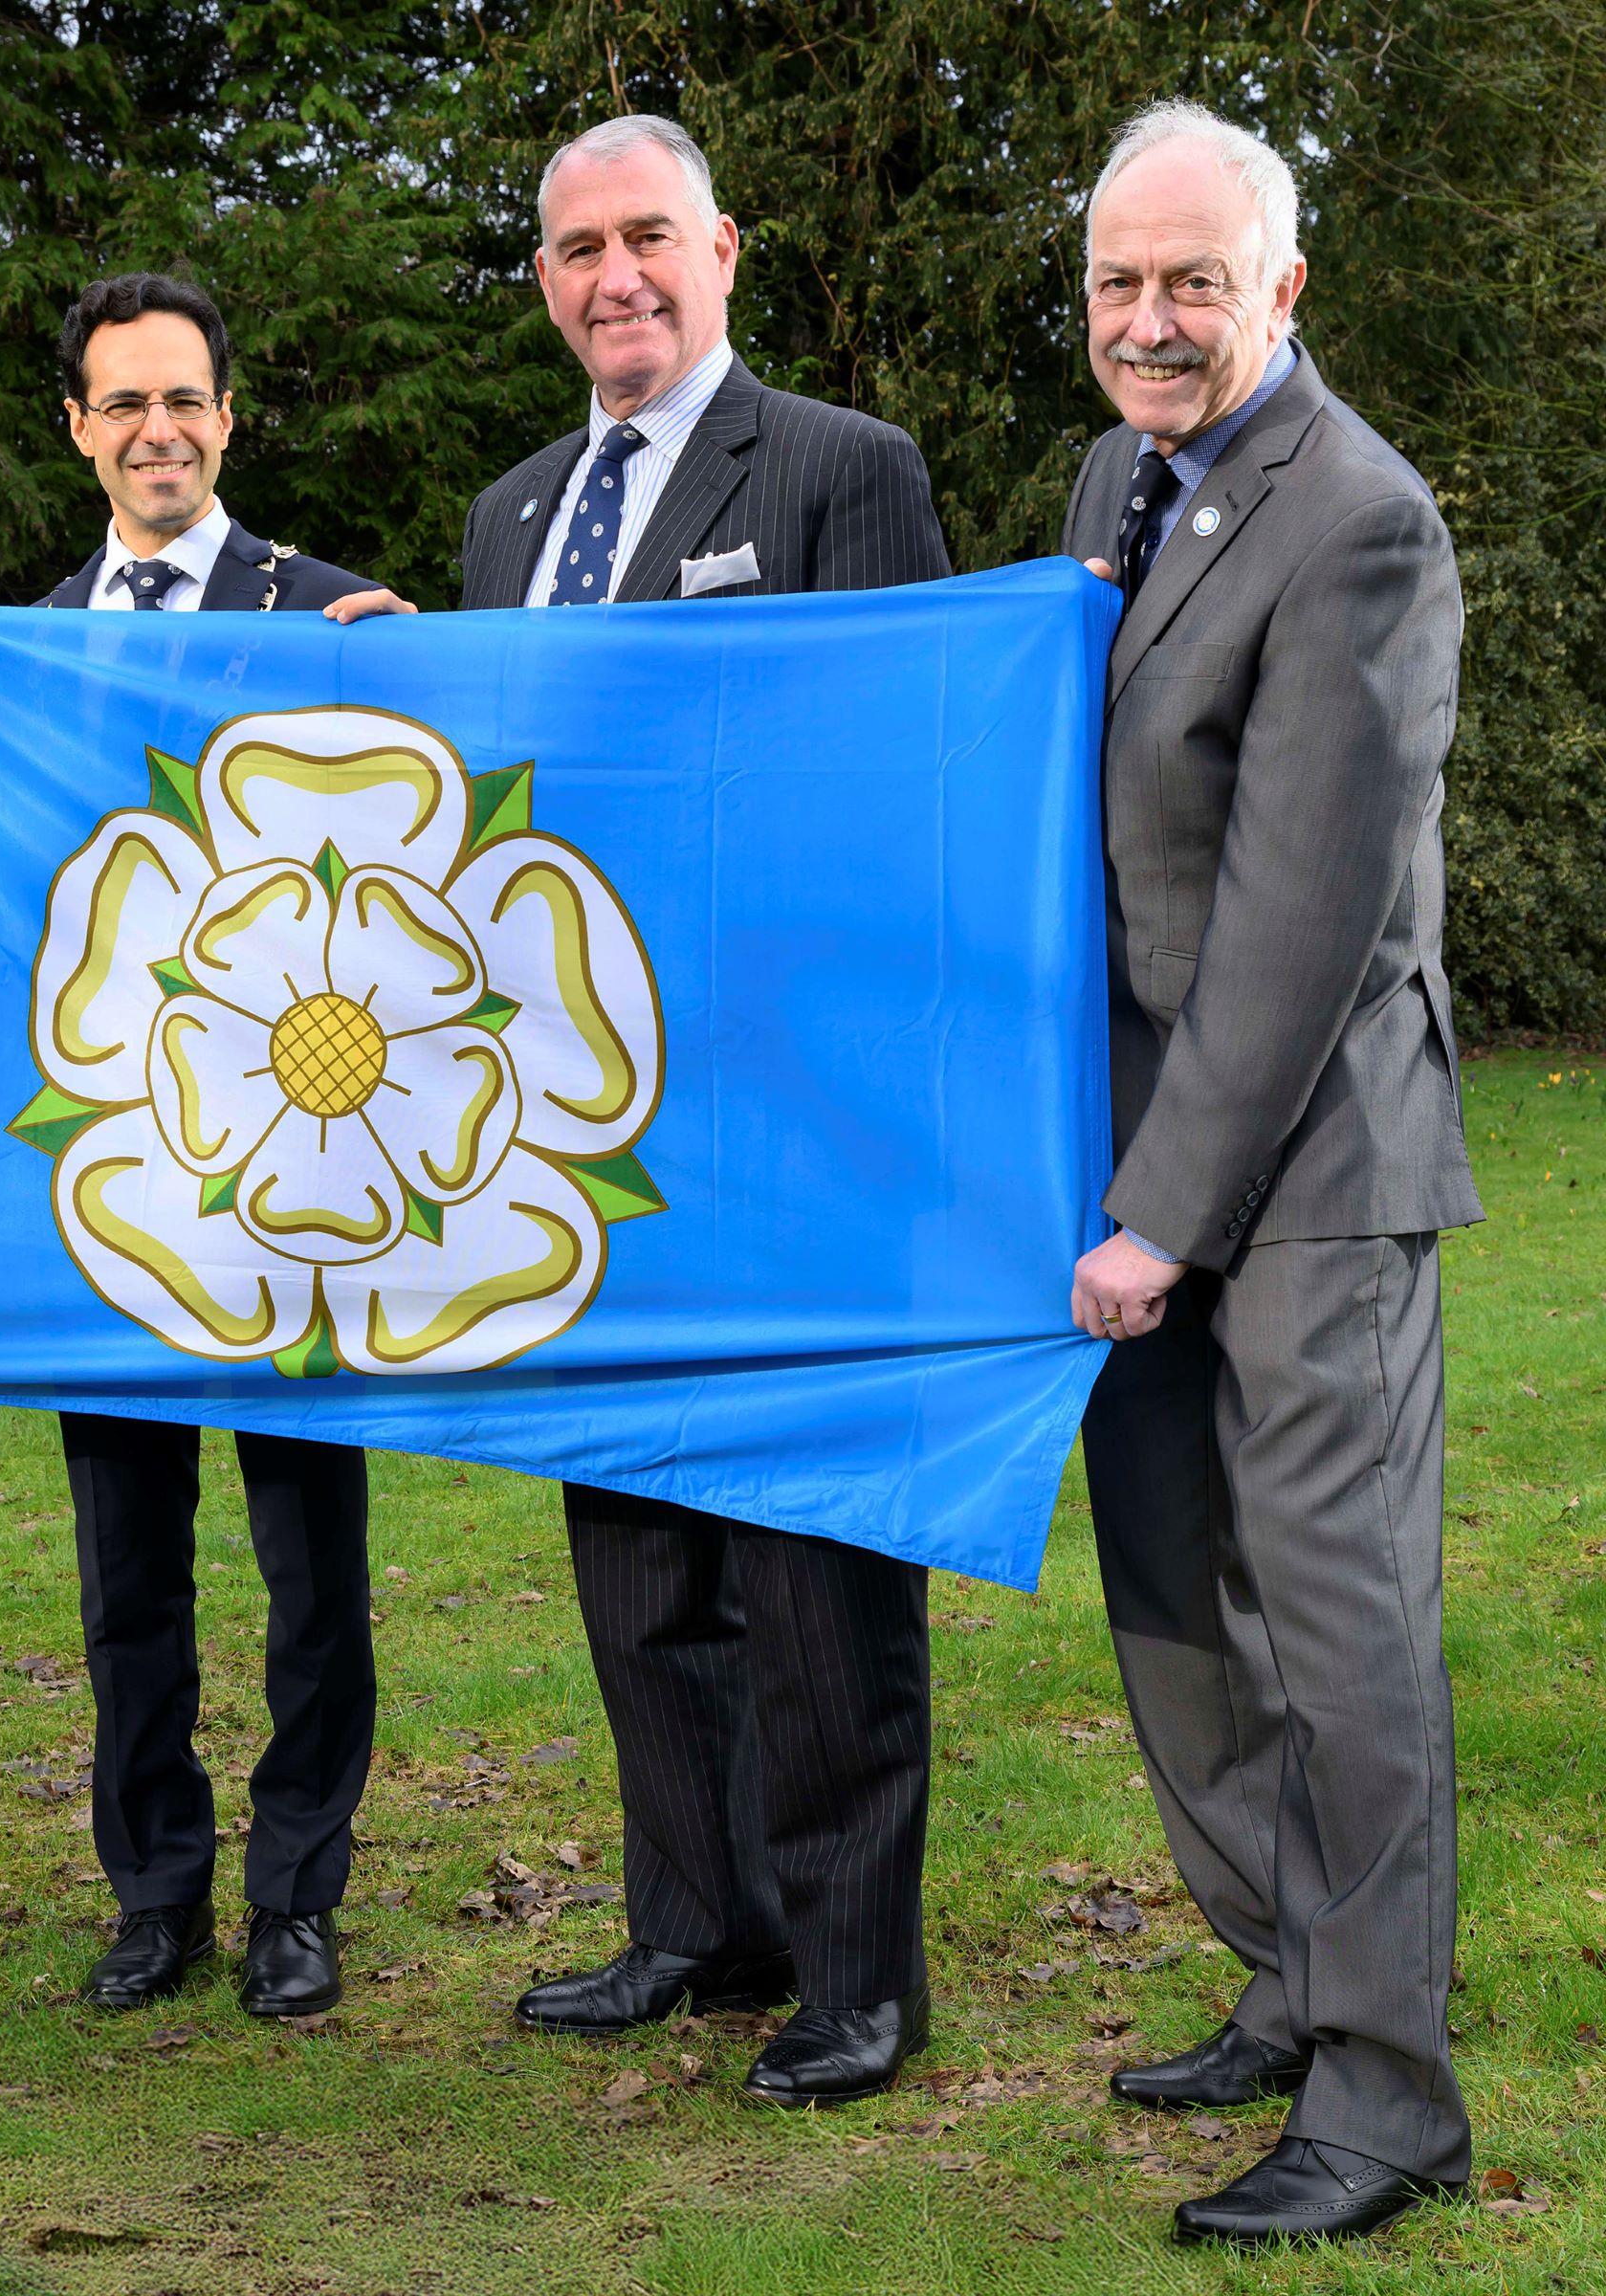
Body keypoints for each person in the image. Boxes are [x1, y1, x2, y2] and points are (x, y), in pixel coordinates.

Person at [463, 116, 955, 2107]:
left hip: (797, 1114)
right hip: (583, 1123)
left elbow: (901, 781)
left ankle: (856, 1972)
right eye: (577, 250)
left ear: (723, 248)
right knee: (642, 1547)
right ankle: (700, 1919)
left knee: (813, 1557)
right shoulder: (507, 522)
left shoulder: (844, 471)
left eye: (646, 237)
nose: (614, 280)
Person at [1062, 100, 1479, 2245]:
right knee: (1176, 1614)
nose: (1148, 320)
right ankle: (1293, 1981)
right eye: (1121, 282)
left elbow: (1303, 921)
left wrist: (1162, 1214)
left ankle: (1390, 2097)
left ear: (1282, 287)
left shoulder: (1361, 524)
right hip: (1140, 1163)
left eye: (1192, 283)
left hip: (1310, 1172)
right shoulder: (1122, 480)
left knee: (1337, 1640)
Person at [38, 273, 403, 2020]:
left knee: (308, 1566)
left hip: (309, 1165)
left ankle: (297, 1893)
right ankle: (154, 1888)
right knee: (129, 1575)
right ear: (82, 428)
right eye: (124, 404)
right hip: (114, 1170)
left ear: (228, 419)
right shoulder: (23, 641)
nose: (158, 431)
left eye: (185, 399)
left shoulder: (339, 614)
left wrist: (419, 672)